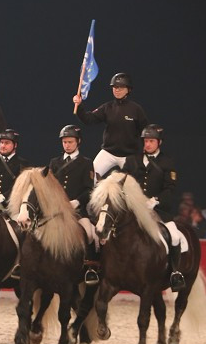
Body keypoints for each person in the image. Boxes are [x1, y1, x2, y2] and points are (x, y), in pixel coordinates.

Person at [123, 124, 186, 292]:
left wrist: (156, 200)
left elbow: (170, 188)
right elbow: (123, 182)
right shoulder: (132, 160)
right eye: (145, 141)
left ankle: (175, 273)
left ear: (159, 143)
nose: (148, 144)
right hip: (134, 209)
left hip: (158, 210)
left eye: (151, 141)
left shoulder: (167, 162)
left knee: (174, 236)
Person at [73, 72, 149, 178]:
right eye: (115, 87)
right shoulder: (107, 107)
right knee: (90, 178)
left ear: (129, 89)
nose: (117, 90)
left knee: (136, 184)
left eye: (121, 87)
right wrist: (79, 106)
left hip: (129, 156)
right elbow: (88, 119)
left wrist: (144, 152)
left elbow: (145, 132)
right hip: (108, 153)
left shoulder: (136, 109)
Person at [48, 124, 99, 284]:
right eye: (64, 142)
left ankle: (90, 267)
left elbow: (89, 189)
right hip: (55, 211)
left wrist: (77, 201)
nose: (67, 145)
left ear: (78, 142)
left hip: (77, 211)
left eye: (70, 142)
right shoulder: (54, 162)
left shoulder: (86, 163)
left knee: (90, 234)